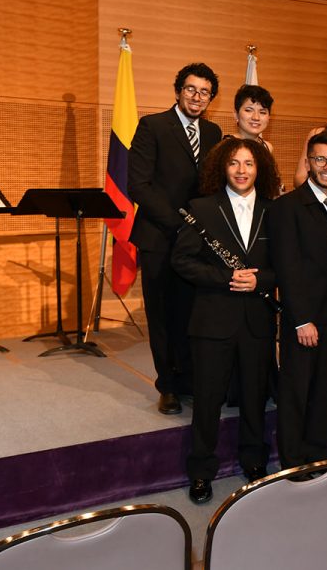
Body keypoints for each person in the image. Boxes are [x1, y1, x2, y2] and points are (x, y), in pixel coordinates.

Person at [171, 138, 280, 504]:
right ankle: (201, 471)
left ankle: (253, 461)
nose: (242, 170)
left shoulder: (273, 210)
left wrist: (260, 279)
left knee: (254, 397)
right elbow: (182, 260)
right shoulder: (201, 209)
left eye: (249, 163)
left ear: (259, 168)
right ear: (223, 168)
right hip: (213, 320)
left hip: (256, 321)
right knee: (207, 400)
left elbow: (285, 266)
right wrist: (226, 278)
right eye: (234, 163)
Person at [129, 62, 223, 415]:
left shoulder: (213, 133)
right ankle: (167, 386)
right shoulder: (152, 126)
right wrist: (180, 224)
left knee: (191, 313)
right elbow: (138, 184)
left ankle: (188, 380)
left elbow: (213, 185)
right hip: (160, 236)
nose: (197, 97)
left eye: (204, 92)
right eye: (191, 89)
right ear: (178, 90)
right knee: (162, 314)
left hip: (197, 243)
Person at [269, 131, 327, 469]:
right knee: (296, 392)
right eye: (320, 159)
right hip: (301, 316)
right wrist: (301, 319)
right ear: (308, 162)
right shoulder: (286, 206)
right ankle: (292, 460)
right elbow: (286, 268)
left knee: (322, 391)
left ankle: (318, 454)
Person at [228, 84, 274, 152]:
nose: (256, 117)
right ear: (236, 115)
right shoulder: (227, 146)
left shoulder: (268, 148)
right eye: (249, 110)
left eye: (262, 112)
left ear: (269, 117)